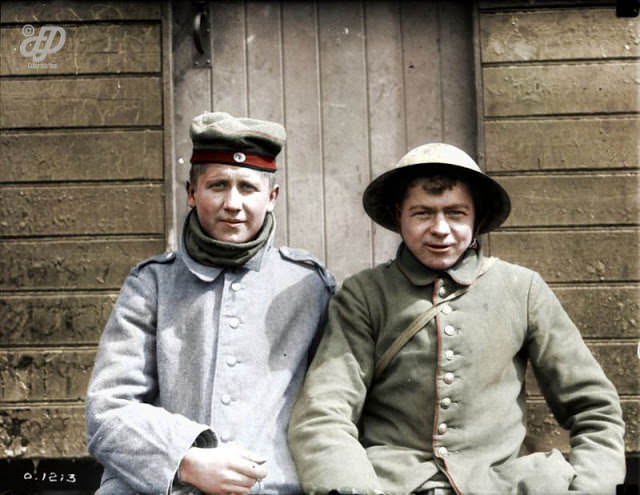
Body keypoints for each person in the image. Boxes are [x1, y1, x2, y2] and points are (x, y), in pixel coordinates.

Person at [288, 143, 625, 495]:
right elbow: (324, 414)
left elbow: (594, 407)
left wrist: (590, 486)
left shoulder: (522, 289)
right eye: (422, 213)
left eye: (456, 214)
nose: (440, 229)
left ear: (476, 218)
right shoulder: (364, 295)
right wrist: (354, 489)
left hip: (501, 486)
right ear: (398, 214)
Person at [86, 111, 334, 495]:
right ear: (191, 193)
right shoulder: (152, 283)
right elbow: (107, 411)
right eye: (218, 185)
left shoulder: (308, 284)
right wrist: (185, 459)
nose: (232, 203)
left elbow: (334, 407)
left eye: (247, 188)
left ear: (272, 198)